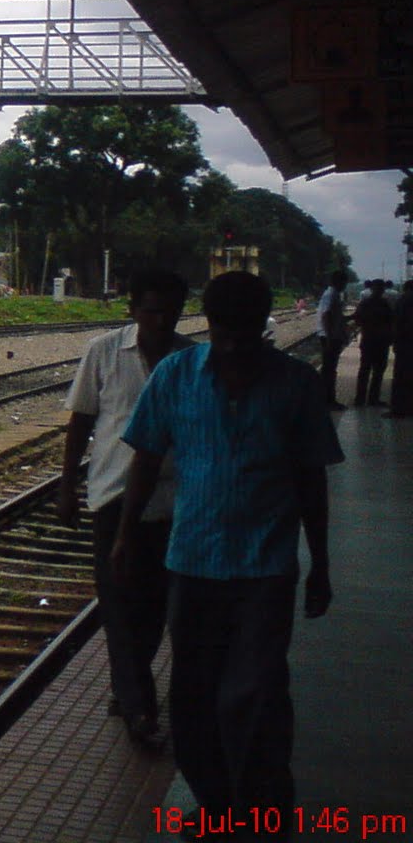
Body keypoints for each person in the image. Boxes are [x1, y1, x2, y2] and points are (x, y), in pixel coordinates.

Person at [114, 270, 341, 818]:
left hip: (266, 569)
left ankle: (264, 804)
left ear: (262, 325)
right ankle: (215, 804)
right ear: (209, 324)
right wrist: (124, 539)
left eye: (245, 334)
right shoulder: (174, 376)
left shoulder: (296, 385)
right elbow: (143, 460)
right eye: (224, 334)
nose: (235, 347)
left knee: (255, 692)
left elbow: (313, 479)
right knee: (192, 695)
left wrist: (322, 565)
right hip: (191, 565)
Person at [57, 268, 192, 748]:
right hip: (113, 496)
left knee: (153, 608)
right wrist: (68, 485)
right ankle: (139, 706)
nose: (159, 320)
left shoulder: (190, 359)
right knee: (117, 605)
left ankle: (127, 690)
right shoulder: (105, 352)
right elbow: (82, 421)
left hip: (171, 503)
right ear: (132, 309)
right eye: (151, 310)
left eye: (169, 312)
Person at [351, 279, 394, 407]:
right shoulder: (384, 304)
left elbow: (357, 320)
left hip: (368, 340)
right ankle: (373, 399)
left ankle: (360, 399)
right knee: (378, 371)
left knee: (365, 370)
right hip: (381, 341)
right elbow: (391, 321)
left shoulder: (365, 303)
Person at [315, 270, 349, 409]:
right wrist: (330, 337)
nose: (345, 285)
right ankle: (328, 400)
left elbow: (334, 316)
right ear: (338, 281)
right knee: (329, 369)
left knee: (329, 369)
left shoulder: (332, 294)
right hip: (329, 337)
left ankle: (328, 399)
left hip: (331, 336)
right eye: (344, 282)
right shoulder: (331, 294)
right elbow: (326, 314)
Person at [389, 279, 413, 418]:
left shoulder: (402, 300)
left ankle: (398, 409)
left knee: (400, 376)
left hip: (403, 343)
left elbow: (396, 322)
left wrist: (394, 341)